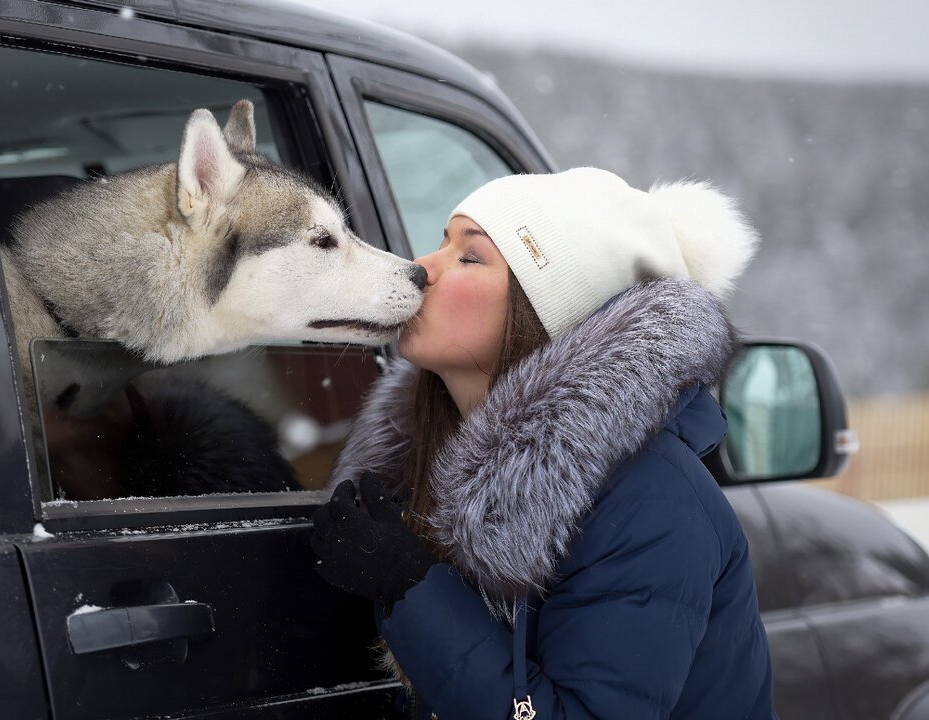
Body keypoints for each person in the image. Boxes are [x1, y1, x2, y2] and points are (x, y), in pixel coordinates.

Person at [310, 167, 775, 719]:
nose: (422, 267)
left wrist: (413, 588)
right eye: (441, 242)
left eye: (470, 256)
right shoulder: (416, 462)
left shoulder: (652, 502)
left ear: (544, 309)